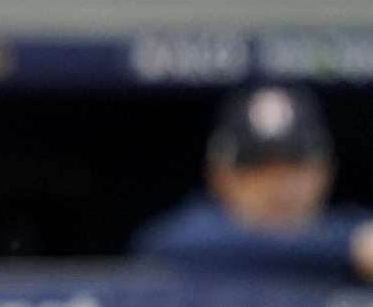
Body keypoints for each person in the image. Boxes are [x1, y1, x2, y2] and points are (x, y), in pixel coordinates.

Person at [134, 87, 373, 284]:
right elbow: (163, 243)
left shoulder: (355, 228)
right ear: (220, 175)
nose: (280, 185)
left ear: (325, 169)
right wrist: (345, 248)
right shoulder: (191, 236)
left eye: (295, 164)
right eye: (258, 168)